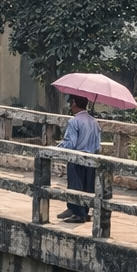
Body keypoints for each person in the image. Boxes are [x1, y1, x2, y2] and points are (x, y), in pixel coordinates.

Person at [58, 94, 100, 223]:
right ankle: (85, 212)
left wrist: (57, 147)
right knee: (88, 186)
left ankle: (77, 212)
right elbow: (98, 145)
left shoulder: (74, 121)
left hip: (77, 158)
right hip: (91, 158)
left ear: (74, 103)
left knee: (75, 185)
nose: (71, 104)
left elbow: (70, 143)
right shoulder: (94, 122)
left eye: (71, 101)